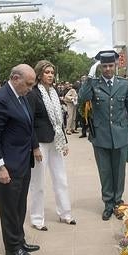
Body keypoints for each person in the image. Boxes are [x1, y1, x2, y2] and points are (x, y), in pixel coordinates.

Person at [0, 64, 39, 255]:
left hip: (23, 162)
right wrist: (0, 167)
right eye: (28, 84)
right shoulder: (1, 99)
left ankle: (20, 239)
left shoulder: (22, 97)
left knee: (19, 205)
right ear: (16, 78)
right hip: (7, 165)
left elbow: (28, 125)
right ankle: (12, 246)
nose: (30, 88)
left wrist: (34, 148)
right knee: (9, 207)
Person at [78, 50, 128, 221]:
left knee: (119, 171)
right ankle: (108, 204)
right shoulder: (94, 84)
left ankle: (118, 202)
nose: (107, 69)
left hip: (120, 134)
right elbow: (82, 98)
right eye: (104, 66)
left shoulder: (124, 84)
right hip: (101, 135)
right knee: (105, 171)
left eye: (110, 65)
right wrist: (89, 78)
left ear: (115, 66)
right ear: (100, 68)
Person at [26, 60, 76, 231]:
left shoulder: (54, 92)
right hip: (40, 142)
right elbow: (29, 122)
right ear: (39, 74)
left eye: (52, 73)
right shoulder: (32, 93)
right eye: (47, 72)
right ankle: (37, 218)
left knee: (61, 179)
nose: (50, 75)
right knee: (38, 183)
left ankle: (65, 214)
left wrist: (65, 142)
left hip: (56, 141)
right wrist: (34, 147)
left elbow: (59, 121)